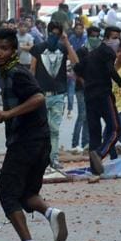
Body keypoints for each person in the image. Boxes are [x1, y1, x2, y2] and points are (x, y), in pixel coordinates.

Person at [0, 28, 68, 241]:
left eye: (4, 48)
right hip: (38, 142)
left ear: (14, 50)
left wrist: (8, 113)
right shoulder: (8, 72)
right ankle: (50, 212)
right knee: (26, 193)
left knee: (7, 191)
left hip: (26, 142)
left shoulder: (16, 72)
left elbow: (38, 97)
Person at [73, 25, 121, 175]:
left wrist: (87, 83)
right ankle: (101, 153)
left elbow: (77, 69)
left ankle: (94, 169)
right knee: (116, 128)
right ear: (106, 38)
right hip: (103, 94)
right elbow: (111, 70)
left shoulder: (92, 54)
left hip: (89, 96)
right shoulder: (108, 52)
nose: (117, 41)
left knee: (94, 132)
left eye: (118, 38)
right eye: (114, 38)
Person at [30, 21, 79, 170]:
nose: (54, 36)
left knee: (55, 129)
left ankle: (54, 159)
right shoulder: (38, 48)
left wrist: (66, 41)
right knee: (41, 129)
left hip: (58, 95)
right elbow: (32, 69)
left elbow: (76, 61)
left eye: (57, 34)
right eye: (52, 33)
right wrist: (31, 91)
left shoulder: (63, 48)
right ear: (47, 32)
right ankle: (42, 160)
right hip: (41, 95)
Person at [71, 26, 101, 152]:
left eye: (97, 36)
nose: (95, 38)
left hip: (93, 88)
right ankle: (75, 144)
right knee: (82, 115)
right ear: (88, 36)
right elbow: (77, 70)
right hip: (81, 88)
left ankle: (85, 143)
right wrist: (84, 83)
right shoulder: (82, 51)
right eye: (92, 36)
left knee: (89, 116)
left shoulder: (99, 51)